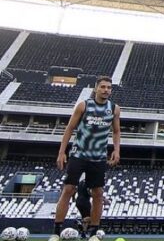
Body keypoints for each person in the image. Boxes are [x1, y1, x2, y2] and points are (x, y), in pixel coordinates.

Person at [50, 77, 121, 241]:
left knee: (98, 193)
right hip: (79, 154)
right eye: (102, 87)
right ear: (96, 89)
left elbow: (116, 131)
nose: (106, 90)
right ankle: (56, 231)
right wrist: (62, 152)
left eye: (109, 87)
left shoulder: (114, 109)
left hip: (98, 157)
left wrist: (116, 150)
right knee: (68, 189)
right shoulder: (84, 105)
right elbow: (70, 128)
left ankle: (94, 233)